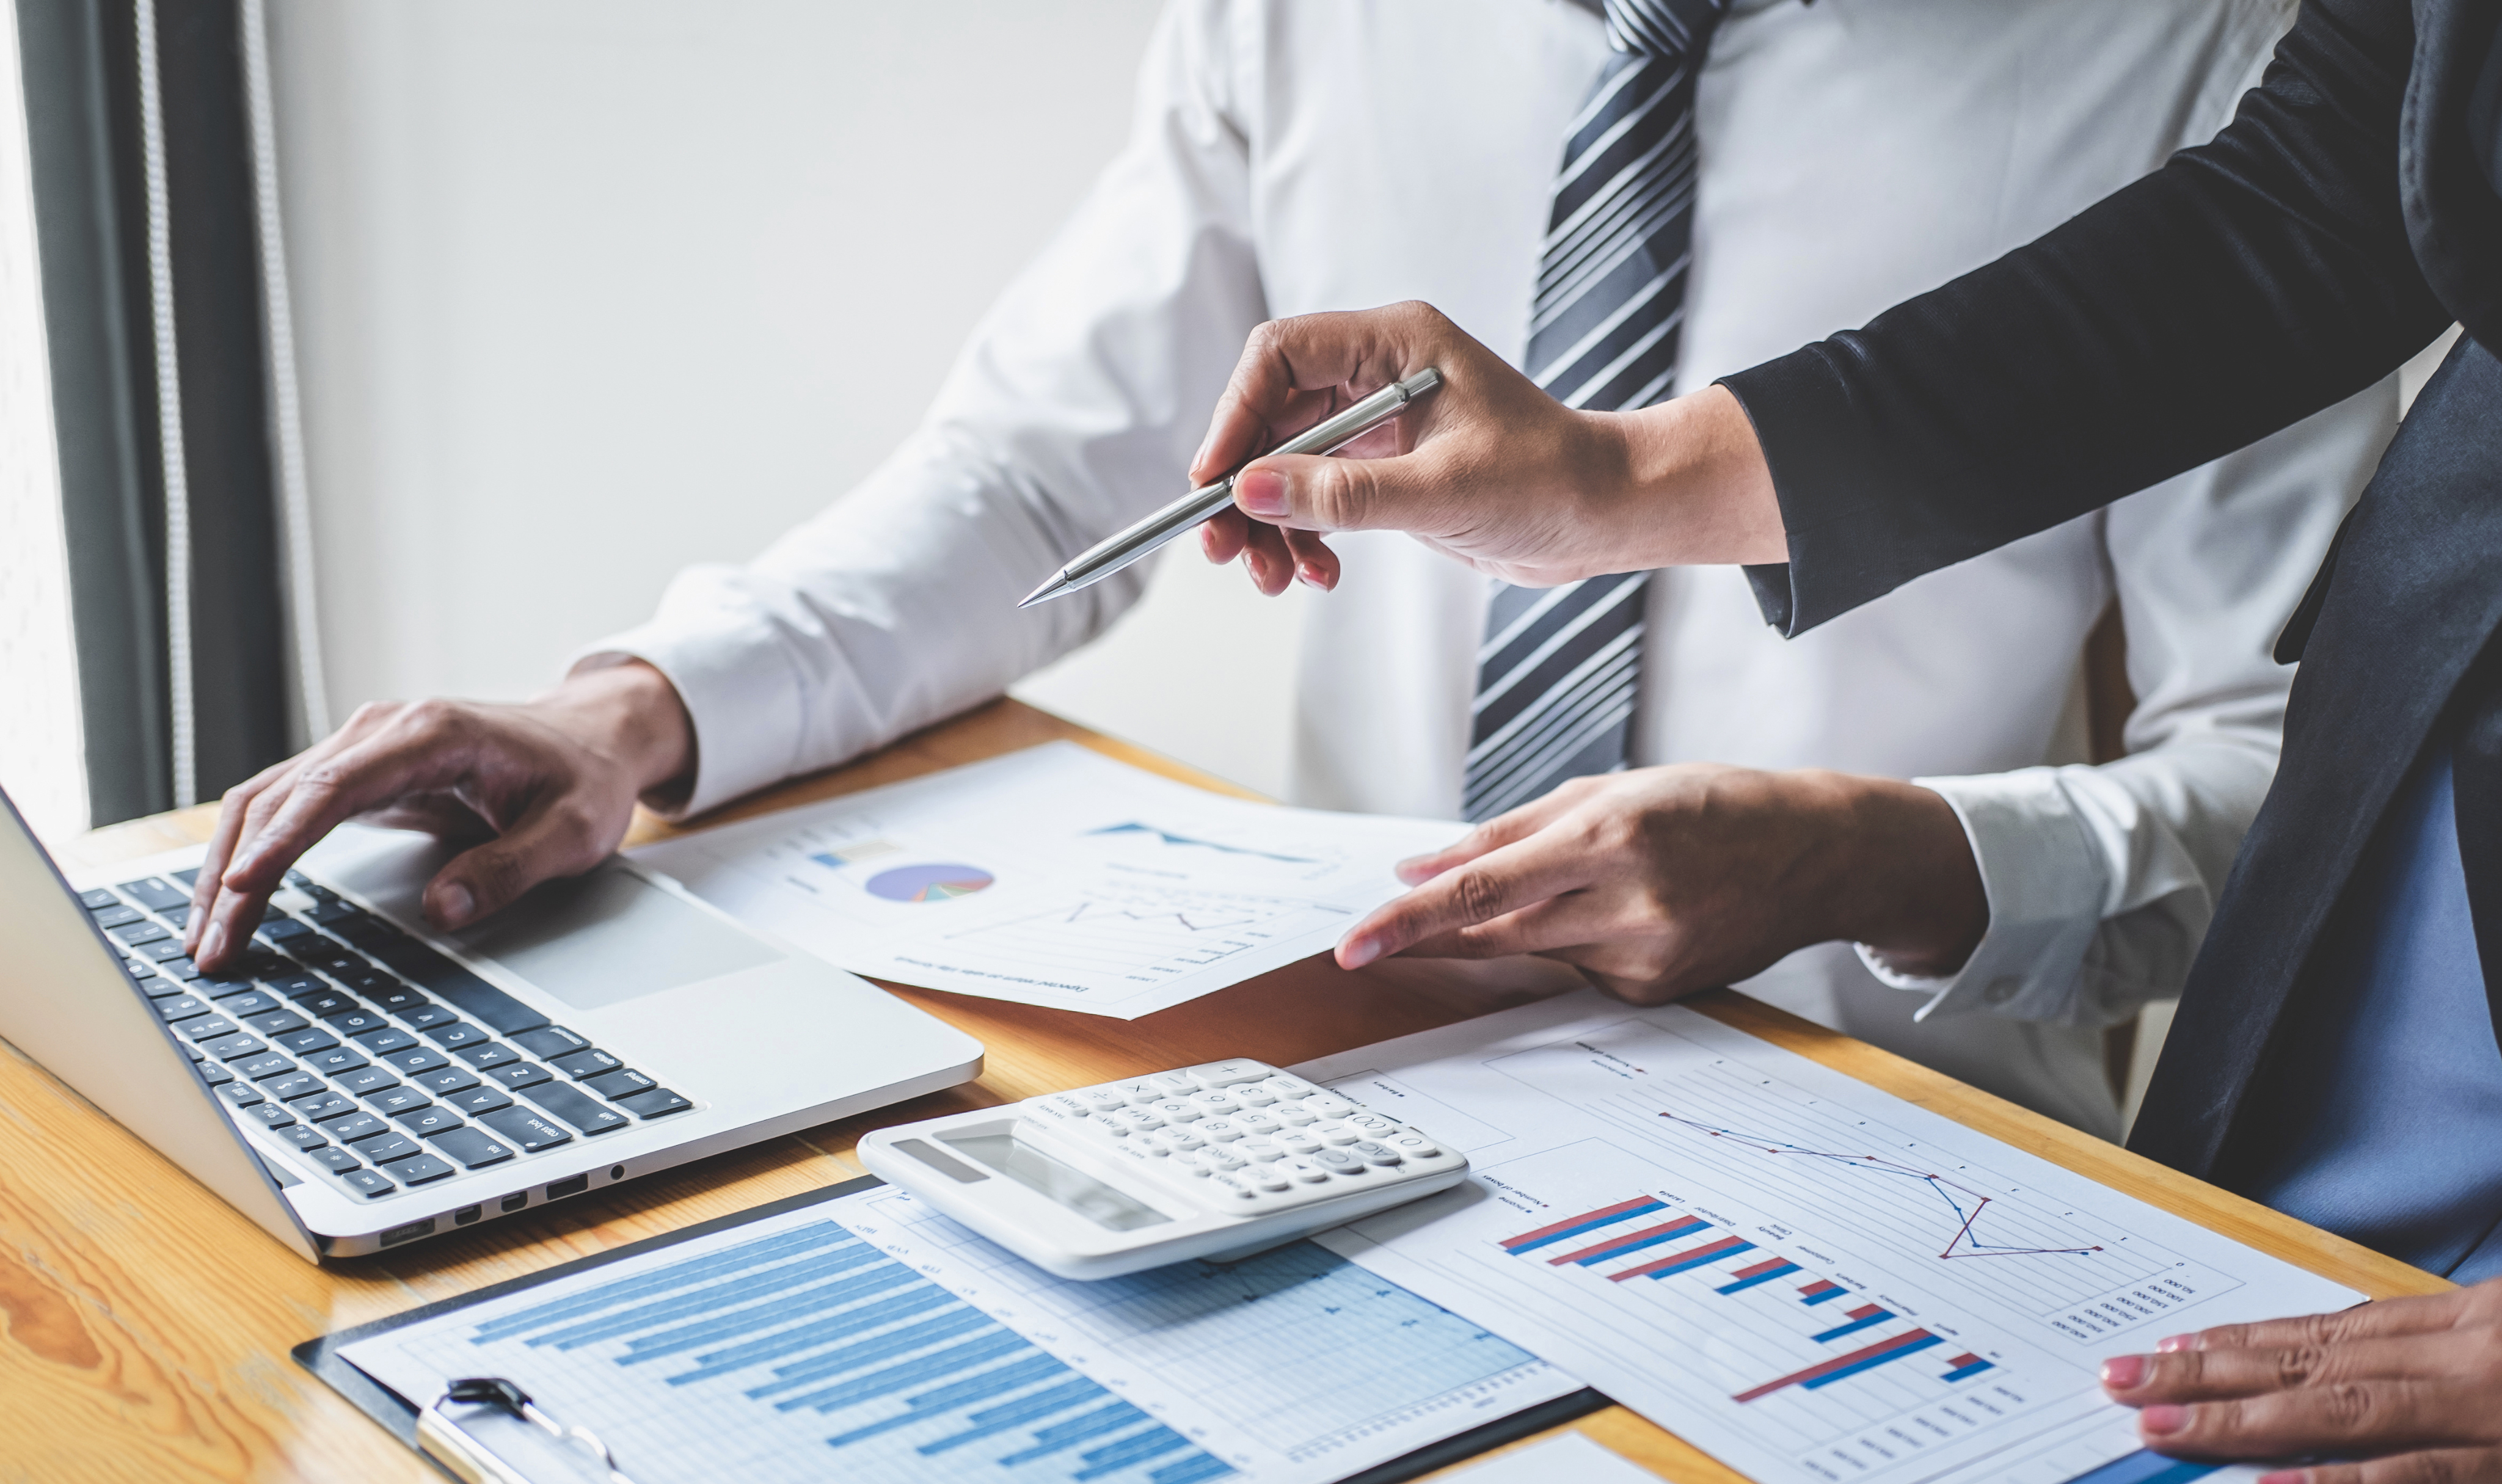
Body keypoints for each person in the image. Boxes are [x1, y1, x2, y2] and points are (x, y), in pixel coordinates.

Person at [181, 0, 2395, 1143]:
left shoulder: (2233, 68)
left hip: (1876, 1147)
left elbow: (2293, 794)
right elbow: (1049, 477)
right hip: (1316, 1090)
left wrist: (1873, 862)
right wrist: (637, 707)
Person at [1188, 0, 2502, 1484]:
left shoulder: (2157, 42)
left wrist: (1867, 856)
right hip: (2401, 911)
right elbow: (2324, 186)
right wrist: (1616, 479)